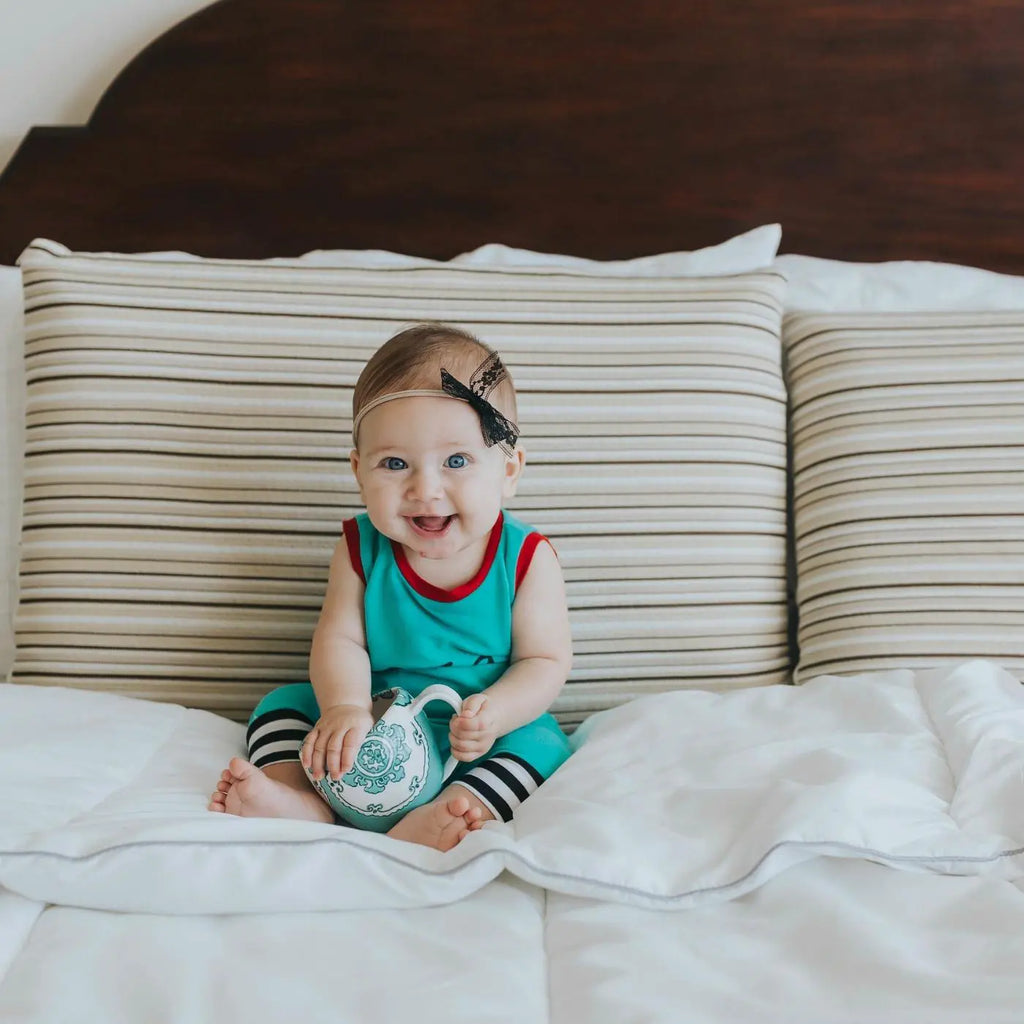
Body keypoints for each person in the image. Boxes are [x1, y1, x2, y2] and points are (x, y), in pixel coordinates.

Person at [209, 323, 573, 851]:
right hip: (376, 714)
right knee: (281, 704)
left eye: (456, 461)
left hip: (476, 735)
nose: (425, 489)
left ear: (509, 470)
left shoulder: (526, 559)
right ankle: (297, 801)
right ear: (359, 472)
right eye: (395, 463)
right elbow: (341, 641)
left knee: (542, 746)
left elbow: (545, 661)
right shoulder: (361, 548)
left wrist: (497, 712)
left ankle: (453, 811)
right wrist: (345, 707)